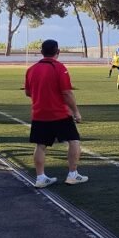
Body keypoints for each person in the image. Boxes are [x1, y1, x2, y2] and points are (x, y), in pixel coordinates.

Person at [25, 39, 88, 188]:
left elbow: (28, 92)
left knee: (40, 145)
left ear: (41, 52)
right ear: (57, 52)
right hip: (59, 113)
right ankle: (72, 175)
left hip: (39, 113)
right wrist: (76, 112)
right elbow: (66, 93)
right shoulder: (59, 68)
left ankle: (40, 177)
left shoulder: (31, 69)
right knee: (74, 141)